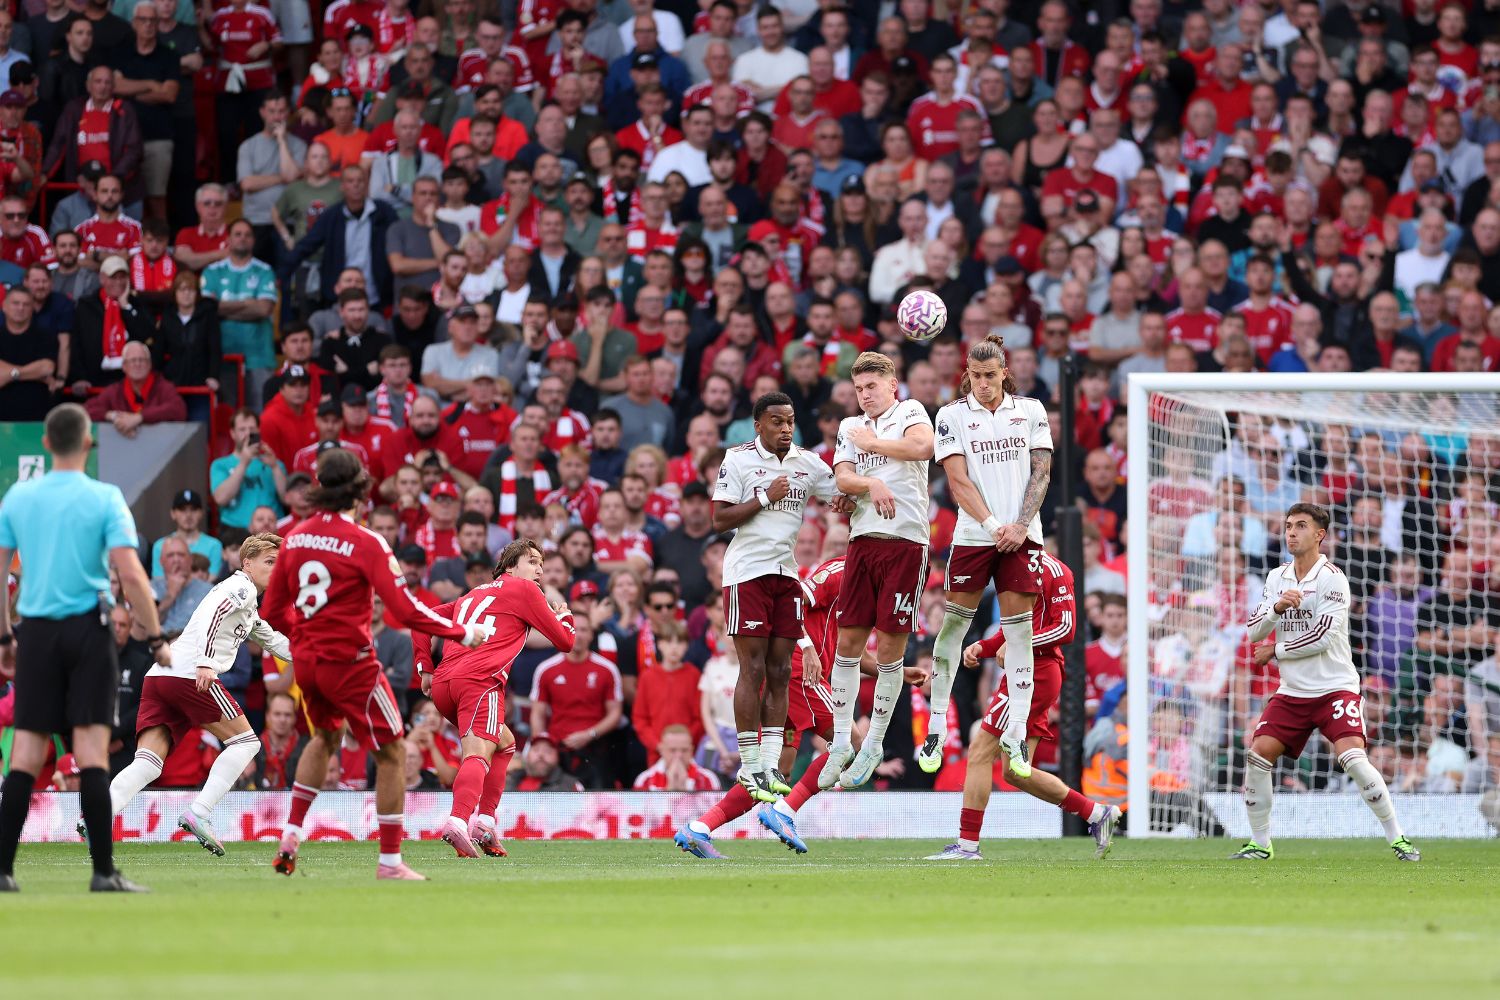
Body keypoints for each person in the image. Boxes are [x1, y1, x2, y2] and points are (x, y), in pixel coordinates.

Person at [259, 447, 487, 880]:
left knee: (324, 737)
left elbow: (270, 612)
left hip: (307, 663)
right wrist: (461, 633)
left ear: (318, 488)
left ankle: (290, 833)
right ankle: (389, 862)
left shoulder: (295, 538)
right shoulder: (366, 541)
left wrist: (305, 639)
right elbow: (404, 611)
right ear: (360, 491)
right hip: (351, 664)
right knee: (393, 751)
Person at [0, 403, 167, 893]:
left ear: (48, 444)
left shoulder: (18, 497)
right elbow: (131, 573)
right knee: (92, 753)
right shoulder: (105, 497)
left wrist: (5, 634)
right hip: (88, 631)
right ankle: (102, 872)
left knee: (26, 753)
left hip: (35, 632)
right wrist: (155, 638)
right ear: (88, 442)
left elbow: (2, 568)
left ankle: (3, 871)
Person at [1237, 502, 1420, 862]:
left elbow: (1323, 634)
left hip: (1335, 687)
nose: (1291, 532)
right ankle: (1260, 844)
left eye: (1300, 526)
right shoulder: (1276, 578)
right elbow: (1253, 628)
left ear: (1319, 535)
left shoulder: (1332, 578)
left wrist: (1276, 650)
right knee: (1257, 756)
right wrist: (1276, 609)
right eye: (1288, 525)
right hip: (1292, 692)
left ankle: (1398, 838)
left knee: (1352, 756)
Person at [99, 532, 290, 856]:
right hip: (189, 673)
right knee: (247, 743)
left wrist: (321, 658)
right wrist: (206, 663)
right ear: (247, 563)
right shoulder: (240, 587)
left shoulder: (246, 604)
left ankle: (98, 817)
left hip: (160, 677)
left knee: (148, 762)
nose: (276, 569)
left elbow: (273, 640)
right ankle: (200, 812)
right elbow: (216, 616)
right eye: (269, 562)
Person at [926, 550, 1121, 861]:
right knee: (1016, 773)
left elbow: (1065, 629)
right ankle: (1097, 813)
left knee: (979, 753)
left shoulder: (1056, 570)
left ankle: (966, 847)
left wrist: (1018, 644)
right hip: (1025, 672)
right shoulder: (1011, 564)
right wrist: (985, 646)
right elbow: (1017, 628)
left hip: (1037, 674)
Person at [919, 334, 1055, 776]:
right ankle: (936, 727)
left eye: (990, 376)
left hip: (1024, 534)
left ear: (1004, 373)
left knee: (1019, 635)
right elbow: (958, 482)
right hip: (975, 536)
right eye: (975, 376)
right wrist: (997, 527)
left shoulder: (1030, 410)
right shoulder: (952, 416)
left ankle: (1016, 735)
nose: (983, 384)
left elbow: (1042, 472)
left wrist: (1019, 526)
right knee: (953, 627)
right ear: (967, 376)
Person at [707, 390, 838, 802]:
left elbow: (839, 491)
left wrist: (855, 493)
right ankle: (748, 767)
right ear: (758, 424)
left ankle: (766, 766)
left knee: (781, 671)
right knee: (754, 669)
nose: (786, 429)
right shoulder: (738, 458)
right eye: (777, 422)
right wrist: (765, 497)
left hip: (786, 573)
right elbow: (718, 519)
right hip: (746, 573)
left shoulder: (807, 463)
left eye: (791, 421)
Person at [412, 538, 576, 858]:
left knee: (505, 744)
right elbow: (566, 642)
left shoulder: (471, 595)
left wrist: (425, 668)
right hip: (479, 682)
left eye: (542, 564)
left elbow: (424, 617)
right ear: (511, 566)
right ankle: (458, 821)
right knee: (477, 754)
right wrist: (566, 616)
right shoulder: (525, 590)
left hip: (445, 685)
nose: (540, 569)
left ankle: (484, 822)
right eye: (533, 562)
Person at [825, 351, 934, 788]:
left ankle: (873, 745)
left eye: (872, 387)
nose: (865, 395)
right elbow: (843, 479)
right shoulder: (850, 426)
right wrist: (871, 481)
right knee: (848, 641)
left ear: (892, 385)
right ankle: (840, 743)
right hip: (862, 540)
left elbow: (923, 446)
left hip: (906, 542)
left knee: (890, 648)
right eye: (859, 389)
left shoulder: (909, 411)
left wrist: (874, 447)